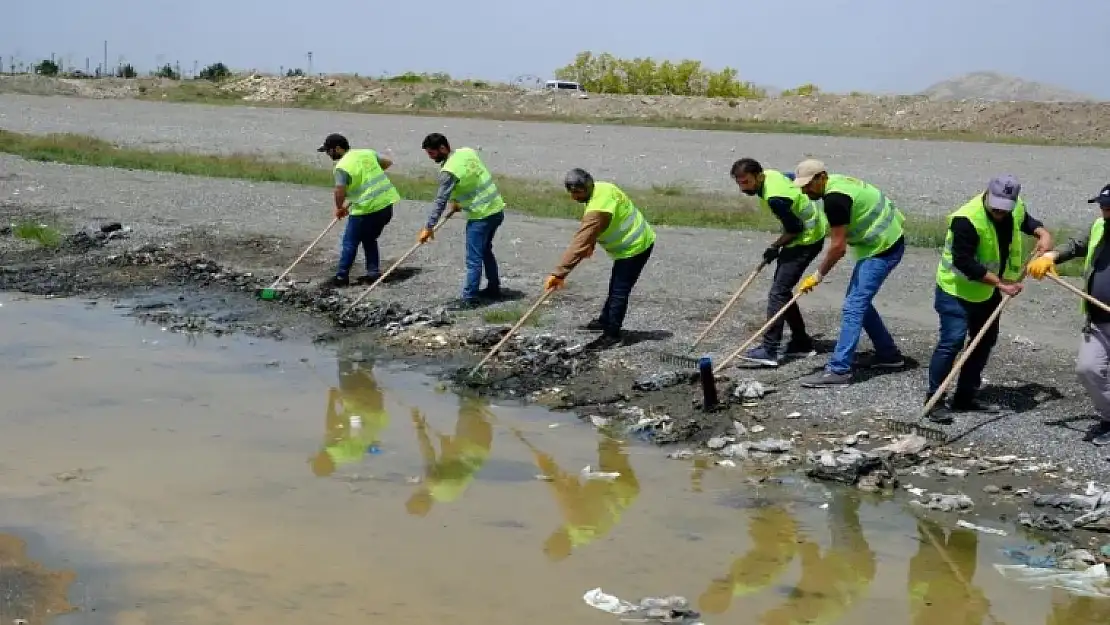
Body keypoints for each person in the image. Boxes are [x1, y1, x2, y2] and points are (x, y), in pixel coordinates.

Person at [927, 175, 1052, 423]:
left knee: (983, 341)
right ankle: (935, 400)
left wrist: (1042, 233)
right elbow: (963, 262)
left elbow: (1026, 220)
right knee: (951, 342)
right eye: (995, 206)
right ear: (987, 194)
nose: (999, 211)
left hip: (988, 293)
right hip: (956, 291)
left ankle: (965, 397)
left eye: (1005, 207)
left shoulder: (1014, 208)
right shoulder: (966, 219)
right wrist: (1001, 284)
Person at [791, 159, 907, 388]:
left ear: (822, 177)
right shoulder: (835, 183)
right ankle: (889, 355)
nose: (805, 191)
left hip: (883, 247)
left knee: (854, 306)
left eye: (808, 185)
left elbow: (838, 247)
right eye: (801, 186)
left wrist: (817, 275)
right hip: (882, 241)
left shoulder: (835, 199)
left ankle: (839, 370)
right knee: (859, 302)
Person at [1028, 183, 1110, 446]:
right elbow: (1077, 245)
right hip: (1097, 318)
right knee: (1088, 369)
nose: (1104, 212)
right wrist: (1051, 255)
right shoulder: (1100, 226)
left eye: (1108, 208)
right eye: (1102, 206)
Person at [730, 158, 828, 367]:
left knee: (777, 293)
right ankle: (801, 342)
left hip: (806, 240)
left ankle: (769, 350)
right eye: (739, 183)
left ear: (758, 176)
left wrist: (774, 247)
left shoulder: (775, 198)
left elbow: (795, 228)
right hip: (811, 233)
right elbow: (792, 180)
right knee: (782, 291)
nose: (743, 188)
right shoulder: (773, 174)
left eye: (746, 182)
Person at [545, 169, 656, 351]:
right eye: (571, 192)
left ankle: (612, 334)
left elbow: (579, 242)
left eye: (578, 192)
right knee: (614, 286)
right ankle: (605, 320)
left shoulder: (597, 209)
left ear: (588, 187)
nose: (574, 197)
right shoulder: (603, 187)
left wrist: (559, 274)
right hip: (636, 239)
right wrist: (591, 243)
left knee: (619, 290)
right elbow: (605, 222)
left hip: (635, 247)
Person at [419, 133, 506, 310]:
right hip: (496, 209)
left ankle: (470, 297)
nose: (431, 157)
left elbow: (440, 201)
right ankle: (493, 287)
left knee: (474, 257)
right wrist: (458, 202)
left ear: (443, 148)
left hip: (481, 216)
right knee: (485, 250)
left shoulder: (448, 171)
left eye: (432, 153)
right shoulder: (467, 152)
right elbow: (472, 178)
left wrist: (429, 227)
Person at [317, 133, 401, 288]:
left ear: (338, 148)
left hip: (367, 209)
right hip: (386, 204)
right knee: (370, 239)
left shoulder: (342, 167)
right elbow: (388, 162)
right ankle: (373, 273)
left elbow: (339, 191)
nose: (328, 154)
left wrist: (339, 208)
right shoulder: (366, 153)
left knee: (350, 242)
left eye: (329, 150)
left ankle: (342, 277)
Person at [405, 397, 494, 517]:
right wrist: (419, 427)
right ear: (417, 497)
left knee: (481, 406)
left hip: (483, 448)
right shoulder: (431, 482)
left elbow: (454, 467)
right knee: (469, 403)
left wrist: (446, 445)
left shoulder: (447, 497)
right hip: (470, 443)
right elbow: (428, 452)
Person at [309, 356, 390, 477]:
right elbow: (332, 424)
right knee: (345, 368)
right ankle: (350, 345)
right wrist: (332, 399)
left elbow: (370, 443)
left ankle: (369, 348)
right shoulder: (331, 448)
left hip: (377, 412)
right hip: (359, 406)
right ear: (321, 459)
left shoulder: (353, 456)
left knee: (366, 371)